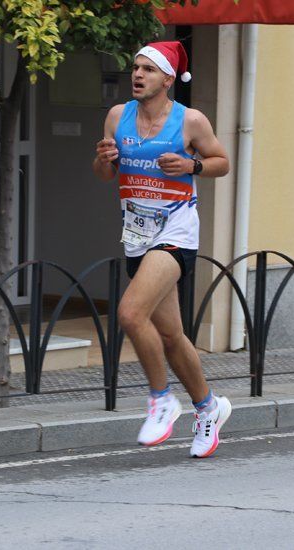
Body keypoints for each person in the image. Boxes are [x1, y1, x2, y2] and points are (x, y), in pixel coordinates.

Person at [92, 41, 232, 458]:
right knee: (171, 335)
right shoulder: (118, 117)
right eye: (135, 68)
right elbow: (104, 174)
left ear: (168, 79)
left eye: (148, 70)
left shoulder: (190, 121)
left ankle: (161, 400)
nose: (137, 75)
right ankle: (209, 408)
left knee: (130, 313)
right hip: (136, 232)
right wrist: (104, 159)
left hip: (176, 230)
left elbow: (221, 160)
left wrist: (193, 166)